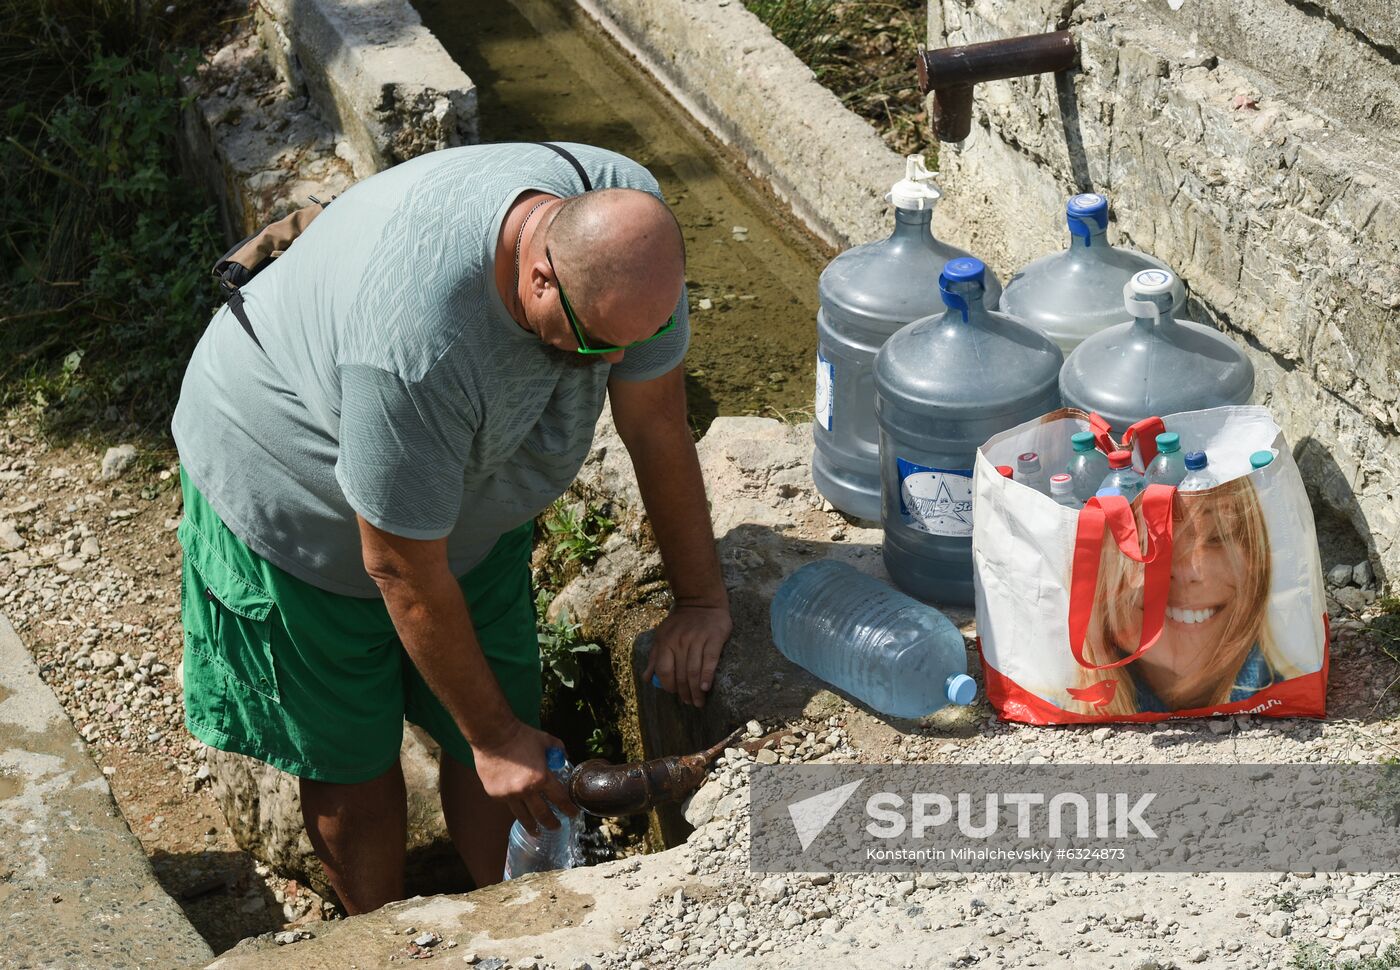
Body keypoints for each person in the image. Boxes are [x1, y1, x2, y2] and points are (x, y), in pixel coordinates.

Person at [171, 142, 732, 912]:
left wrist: (701, 601)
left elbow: (658, 424)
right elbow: (400, 565)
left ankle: (523, 925)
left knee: (504, 732)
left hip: (461, 504)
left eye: (641, 336)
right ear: (539, 275)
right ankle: (387, 942)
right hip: (291, 487)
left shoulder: (627, 231)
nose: (619, 361)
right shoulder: (416, 344)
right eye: (601, 345)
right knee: (353, 754)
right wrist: (495, 739)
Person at [1067, 477, 1297, 716]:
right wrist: (1096, 652)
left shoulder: (1291, 695)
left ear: (1258, 564)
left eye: (1217, 537)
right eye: (1145, 544)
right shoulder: (1052, 703)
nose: (1188, 570)